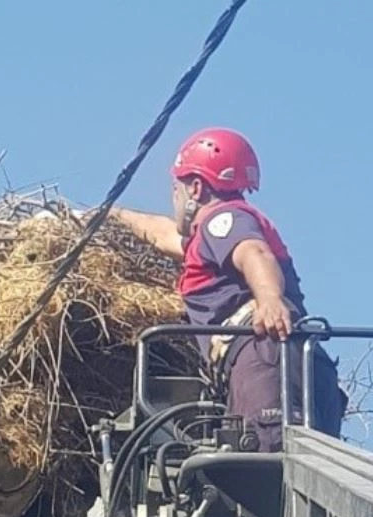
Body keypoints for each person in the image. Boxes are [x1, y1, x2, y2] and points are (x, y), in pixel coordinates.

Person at [111, 127, 346, 451]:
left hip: (264, 356)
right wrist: (111, 216)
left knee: (268, 470)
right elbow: (164, 234)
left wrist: (270, 300)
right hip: (298, 366)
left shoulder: (225, 220)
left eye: (175, 188)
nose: (173, 198)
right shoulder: (211, 236)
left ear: (195, 187)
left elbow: (254, 253)